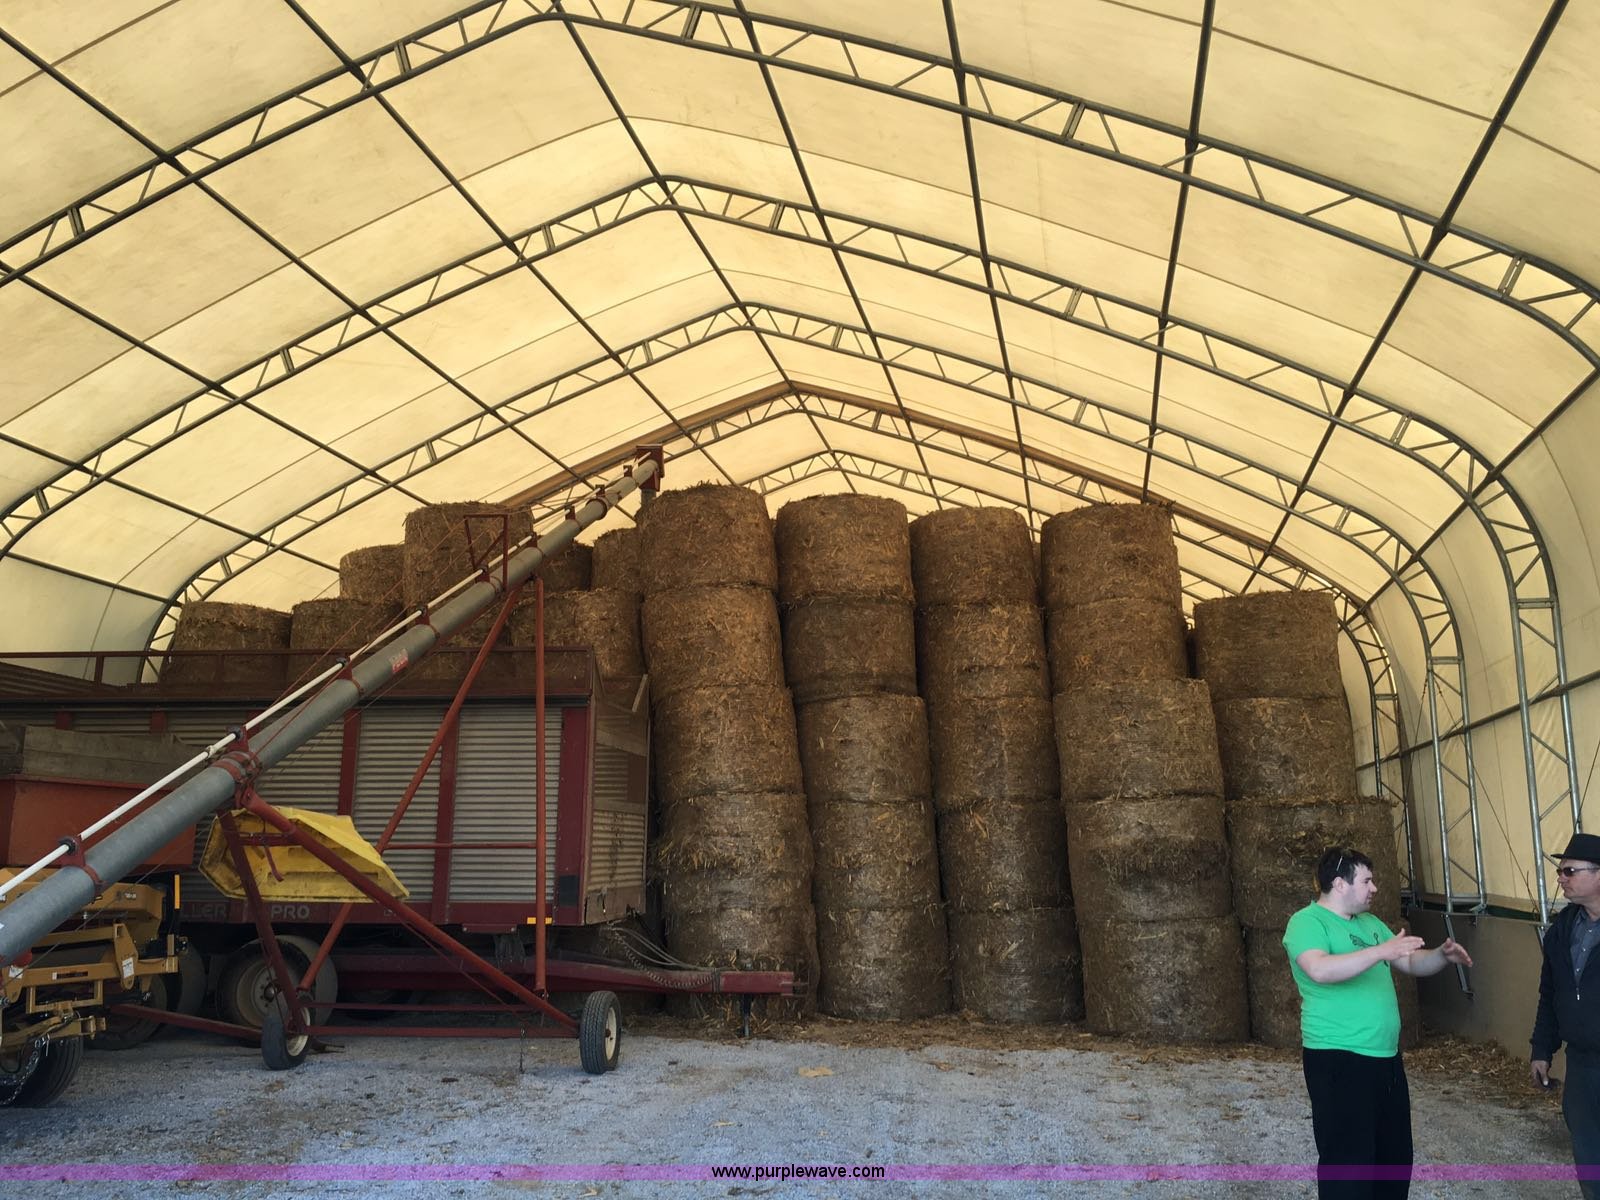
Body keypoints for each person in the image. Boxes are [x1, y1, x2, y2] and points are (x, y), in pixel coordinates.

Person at [1283, 846, 1474, 1199]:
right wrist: (1380, 952)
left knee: (1393, 1157)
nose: (1374, 888)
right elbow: (1319, 969)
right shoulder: (1307, 922)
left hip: (1385, 1059)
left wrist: (1441, 956)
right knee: (1348, 1160)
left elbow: (1411, 962)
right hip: (1338, 1057)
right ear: (1339, 884)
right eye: (1367, 881)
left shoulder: (1371, 924)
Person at [1531, 832, 1600, 1198]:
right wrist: (1542, 1050)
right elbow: (1550, 995)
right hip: (1582, 1065)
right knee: (1589, 1157)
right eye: (1560, 871)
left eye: (1570, 871)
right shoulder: (1561, 930)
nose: (1561, 878)